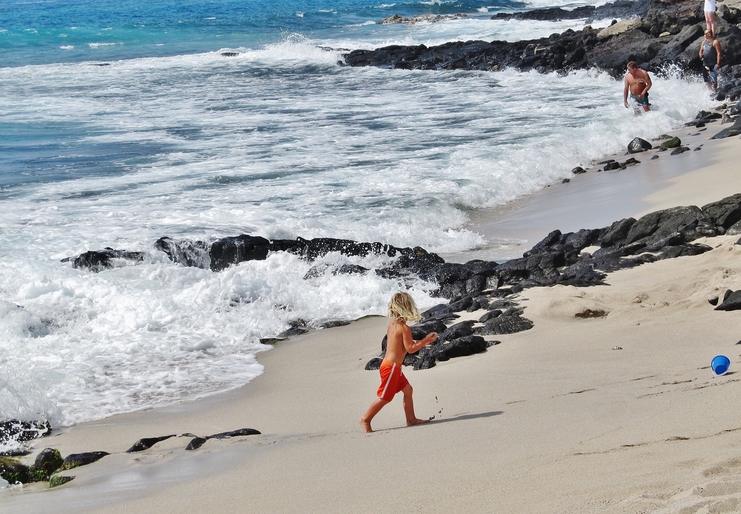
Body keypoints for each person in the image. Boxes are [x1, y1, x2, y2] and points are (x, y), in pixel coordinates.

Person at [359, 292, 438, 433]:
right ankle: (366, 419)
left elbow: (402, 344)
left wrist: (420, 342)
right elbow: (410, 349)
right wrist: (425, 340)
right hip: (391, 368)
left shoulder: (392, 325)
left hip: (392, 366)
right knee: (385, 397)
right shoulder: (404, 328)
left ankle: (411, 419)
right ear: (407, 308)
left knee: (408, 390)